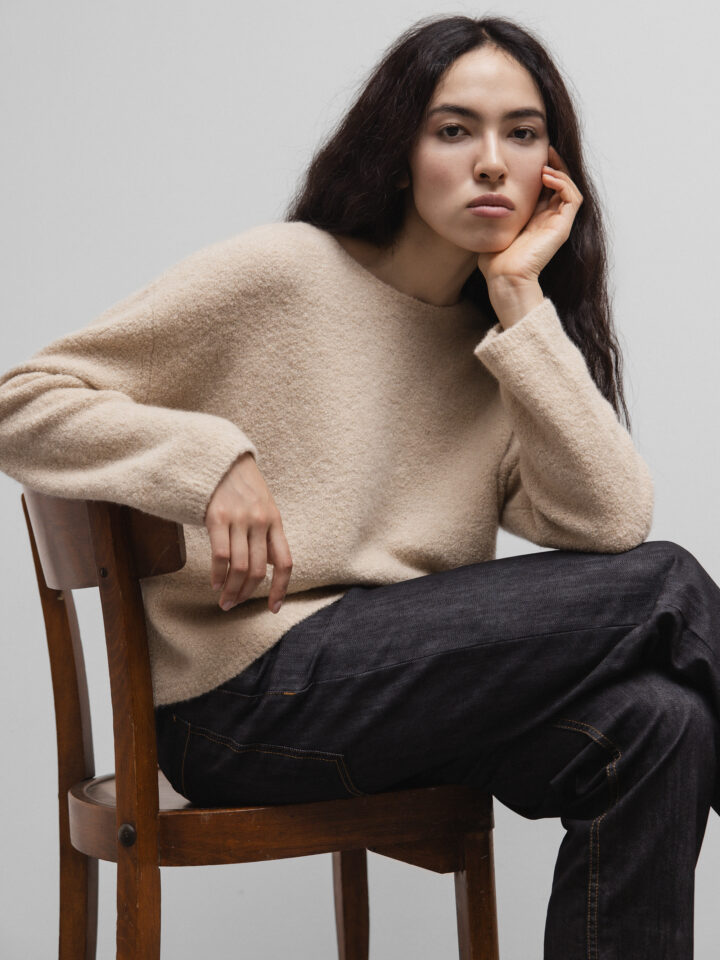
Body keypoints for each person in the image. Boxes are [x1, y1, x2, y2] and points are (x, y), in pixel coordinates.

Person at [0, 12, 718, 958]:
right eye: (454, 130)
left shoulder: (502, 349)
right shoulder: (283, 272)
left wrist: (519, 296)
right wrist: (211, 459)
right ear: (399, 151)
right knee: (670, 585)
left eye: (523, 133)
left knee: (661, 724)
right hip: (240, 707)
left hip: (397, 701)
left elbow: (612, 518)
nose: (492, 162)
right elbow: (22, 401)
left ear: (553, 169)